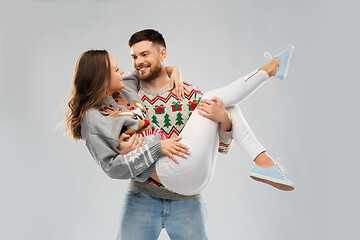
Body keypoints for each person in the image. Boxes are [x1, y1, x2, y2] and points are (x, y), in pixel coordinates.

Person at [65, 31, 295, 239]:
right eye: (133, 57)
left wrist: (224, 120)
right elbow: (113, 166)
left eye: (144, 54)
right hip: (145, 193)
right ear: (103, 77)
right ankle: (264, 156)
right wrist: (155, 147)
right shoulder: (124, 93)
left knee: (224, 106)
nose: (133, 65)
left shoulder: (184, 93)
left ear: (162, 54)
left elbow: (222, 148)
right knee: (219, 99)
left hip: (188, 190)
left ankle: (271, 74)